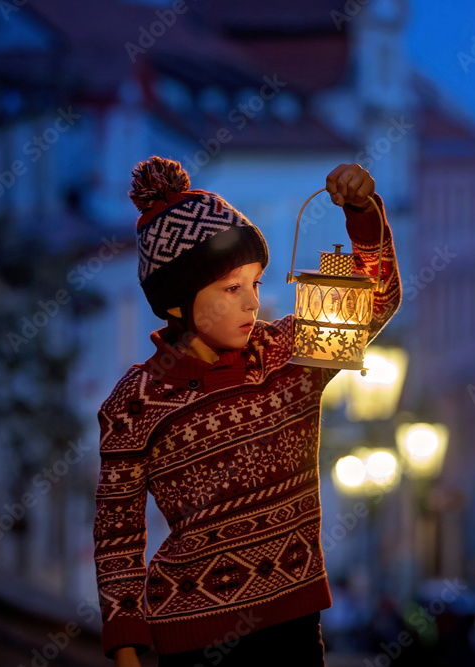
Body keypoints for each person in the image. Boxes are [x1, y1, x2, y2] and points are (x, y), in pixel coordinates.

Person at [94, 156, 402, 667]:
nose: (252, 303)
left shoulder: (289, 354)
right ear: (176, 302)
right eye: (230, 289)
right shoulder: (134, 401)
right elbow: (117, 533)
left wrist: (364, 216)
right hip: (191, 640)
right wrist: (125, 647)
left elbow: (378, 301)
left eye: (256, 284)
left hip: (295, 628)